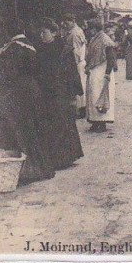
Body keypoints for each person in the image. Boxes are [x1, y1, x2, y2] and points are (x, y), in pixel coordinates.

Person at [0, 19, 55, 185]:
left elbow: (9, 74)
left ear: (8, 32)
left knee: (22, 130)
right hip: (32, 91)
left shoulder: (13, 48)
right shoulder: (29, 45)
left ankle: (30, 170)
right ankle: (42, 167)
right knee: (34, 129)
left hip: (18, 93)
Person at [35, 18, 84, 169]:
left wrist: (74, 93)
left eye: (44, 32)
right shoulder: (39, 49)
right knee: (51, 125)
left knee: (63, 123)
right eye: (40, 33)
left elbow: (72, 71)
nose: (41, 35)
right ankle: (55, 158)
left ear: (54, 33)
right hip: (47, 92)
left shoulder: (63, 49)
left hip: (61, 91)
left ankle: (65, 158)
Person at [85, 20, 118, 132]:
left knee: (100, 95)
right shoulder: (94, 39)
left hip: (102, 71)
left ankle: (101, 123)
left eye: (91, 28)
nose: (89, 31)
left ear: (95, 28)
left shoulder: (105, 40)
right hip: (95, 71)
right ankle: (95, 121)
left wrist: (107, 73)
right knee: (93, 96)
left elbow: (111, 58)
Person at [61, 14, 87, 117]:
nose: (65, 24)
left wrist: (73, 64)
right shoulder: (77, 31)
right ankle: (81, 108)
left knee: (78, 85)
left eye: (67, 22)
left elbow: (76, 51)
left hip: (77, 63)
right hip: (80, 62)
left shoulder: (74, 33)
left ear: (73, 21)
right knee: (80, 84)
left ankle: (81, 109)